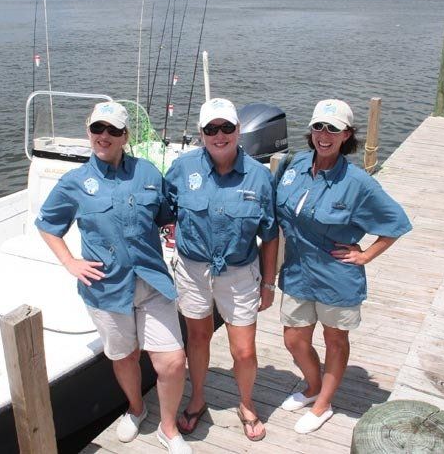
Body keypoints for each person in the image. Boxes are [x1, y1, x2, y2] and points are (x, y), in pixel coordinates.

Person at [36, 101, 191, 454]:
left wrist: (178, 229)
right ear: (89, 131)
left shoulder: (149, 173)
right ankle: (137, 409)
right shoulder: (73, 182)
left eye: (113, 131)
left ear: (125, 136)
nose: (104, 137)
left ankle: (168, 428)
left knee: (172, 362)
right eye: (97, 129)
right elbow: (48, 225)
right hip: (106, 289)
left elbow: (167, 214)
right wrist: (70, 262)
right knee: (124, 357)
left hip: (152, 282)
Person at [275, 99, 411, 434]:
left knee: (335, 340)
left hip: (336, 276)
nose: (324, 134)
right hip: (296, 271)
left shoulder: (358, 182)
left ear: (346, 134)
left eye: (333, 129)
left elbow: (396, 222)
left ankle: (323, 404)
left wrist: (365, 255)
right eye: (319, 126)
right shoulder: (295, 163)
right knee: (294, 339)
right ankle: (312, 385)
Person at [165, 98, 279, 441]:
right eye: (211, 129)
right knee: (197, 338)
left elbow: (270, 234)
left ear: (239, 131)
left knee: (244, 349)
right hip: (192, 270)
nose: (219, 135)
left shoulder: (260, 177)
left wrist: (269, 284)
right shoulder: (182, 168)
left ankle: (246, 403)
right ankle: (197, 399)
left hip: (240, 272)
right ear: (201, 133)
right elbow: (164, 209)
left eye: (226, 127)